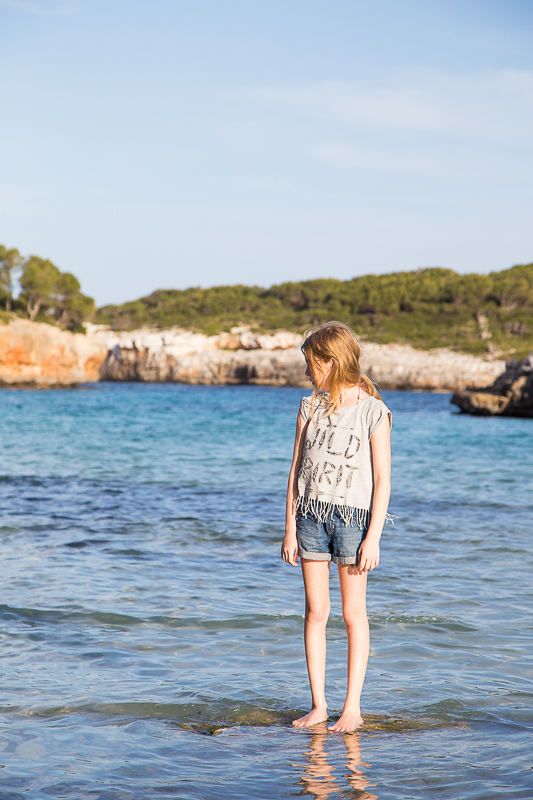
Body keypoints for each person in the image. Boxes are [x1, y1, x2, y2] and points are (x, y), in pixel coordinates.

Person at [281, 321, 392, 732]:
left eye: (311, 363)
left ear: (331, 362)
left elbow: (383, 480)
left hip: (353, 521)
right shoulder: (309, 407)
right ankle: (319, 706)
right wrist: (289, 527)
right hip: (309, 516)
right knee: (315, 611)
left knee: (351, 613)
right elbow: (295, 471)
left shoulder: (372, 411)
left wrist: (374, 537)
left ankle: (352, 708)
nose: (307, 371)